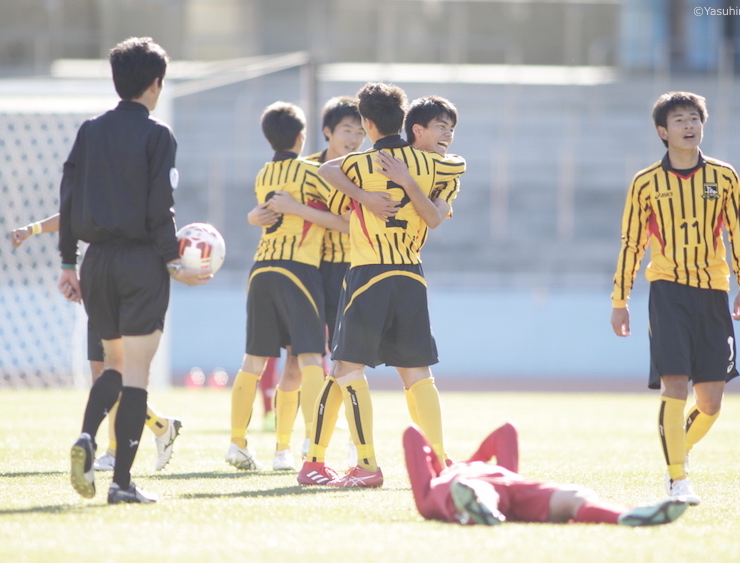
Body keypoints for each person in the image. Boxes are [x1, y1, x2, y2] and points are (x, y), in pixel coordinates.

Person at [60, 37, 210, 504]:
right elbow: (159, 208)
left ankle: (87, 435)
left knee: (113, 363)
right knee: (136, 374)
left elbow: (68, 198)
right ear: (156, 83)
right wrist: (174, 263)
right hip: (140, 262)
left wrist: (69, 262)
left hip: (97, 261)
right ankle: (122, 484)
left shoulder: (89, 130)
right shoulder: (158, 134)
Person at [296, 84, 465, 488]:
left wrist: (363, 198)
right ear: (409, 123)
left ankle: (360, 463)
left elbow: (325, 169)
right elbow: (445, 192)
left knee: (346, 370)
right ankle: (440, 459)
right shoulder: (443, 166)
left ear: (368, 123)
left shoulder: (360, 163)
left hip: (368, 273)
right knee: (417, 374)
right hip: (410, 274)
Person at [610, 92, 740, 505]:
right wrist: (619, 299)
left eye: (694, 118)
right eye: (679, 120)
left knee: (710, 402)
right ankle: (677, 479)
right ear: (663, 131)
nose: (689, 125)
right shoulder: (645, 183)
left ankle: (680, 446)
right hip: (668, 291)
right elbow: (631, 244)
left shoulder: (725, 177)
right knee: (674, 384)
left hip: (713, 292)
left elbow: (738, 233)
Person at [226, 101, 348, 472]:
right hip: (300, 269)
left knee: (254, 362)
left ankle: (240, 444)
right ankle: (312, 445)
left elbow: (263, 213)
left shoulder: (263, 175)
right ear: (303, 135)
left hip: (261, 269)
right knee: (312, 359)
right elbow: (343, 221)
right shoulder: (314, 174)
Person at [11, 215, 183, 473]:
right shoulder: (95, 185)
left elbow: (159, 212)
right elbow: (72, 212)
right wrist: (32, 228)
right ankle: (161, 427)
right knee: (102, 378)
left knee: (119, 373)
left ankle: (115, 451)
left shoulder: (130, 186)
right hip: (99, 282)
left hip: (128, 281)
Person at [403, 424, 688, 527]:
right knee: (474, 489)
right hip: (464, 488)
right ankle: (479, 508)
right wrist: (441, 464)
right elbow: (412, 435)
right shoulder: (438, 485)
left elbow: (506, 432)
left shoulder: (475, 467)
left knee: (575, 496)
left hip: (511, 485)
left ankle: (624, 516)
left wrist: (458, 460)